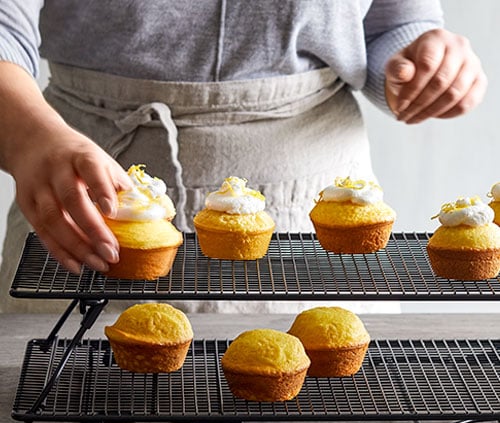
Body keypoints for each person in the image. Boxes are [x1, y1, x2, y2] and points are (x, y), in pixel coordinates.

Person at [0, 1, 487, 313]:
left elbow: (392, 21)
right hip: (84, 192)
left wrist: (423, 60)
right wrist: (29, 137)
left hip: (314, 209)